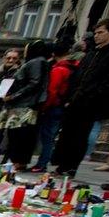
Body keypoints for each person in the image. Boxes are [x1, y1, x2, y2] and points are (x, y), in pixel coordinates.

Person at [54, 18, 109, 176]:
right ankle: (61, 166)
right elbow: (77, 77)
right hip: (74, 100)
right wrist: (69, 97)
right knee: (67, 133)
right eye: (96, 33)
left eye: (101, 32)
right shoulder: (91, 54)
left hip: (90, 103)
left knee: (80, 135)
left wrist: (91, 96)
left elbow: (105, 83)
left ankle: (71, 167)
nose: (96, 36)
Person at [0, 40, 49, 170]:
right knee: (20, 134)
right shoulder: (39, 62)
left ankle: (16, 161)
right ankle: (17, 161)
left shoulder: (35, 62)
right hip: (24, 104)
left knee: (18, 135)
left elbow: (33, 83)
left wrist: (13, 96)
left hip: (23, 105)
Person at [32, 41, 77, 172]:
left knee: (47, 136)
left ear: (53, 54)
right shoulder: (74, 67)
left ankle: (42, 163)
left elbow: (52, 91)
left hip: (54, 106)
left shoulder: (58, 69)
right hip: (65, 105)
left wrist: (45, 107)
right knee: (52, 135)